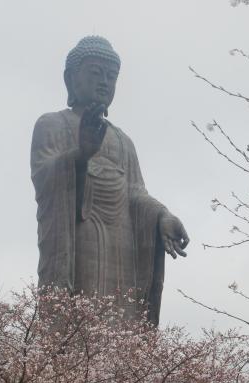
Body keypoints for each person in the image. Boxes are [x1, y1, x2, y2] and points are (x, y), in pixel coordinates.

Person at [31, 36, 189, 326]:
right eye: (95, 73)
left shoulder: (123, 141)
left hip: (123, 241)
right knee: (81, 320)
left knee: (121, 319)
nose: (104, 82)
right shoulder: (51, 124)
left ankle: (126, 369)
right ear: (70, 79)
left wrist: (162, 214)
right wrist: (80, 154)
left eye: (112, 76)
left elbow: (136, 193)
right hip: (79, 236)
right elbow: (44, 176)